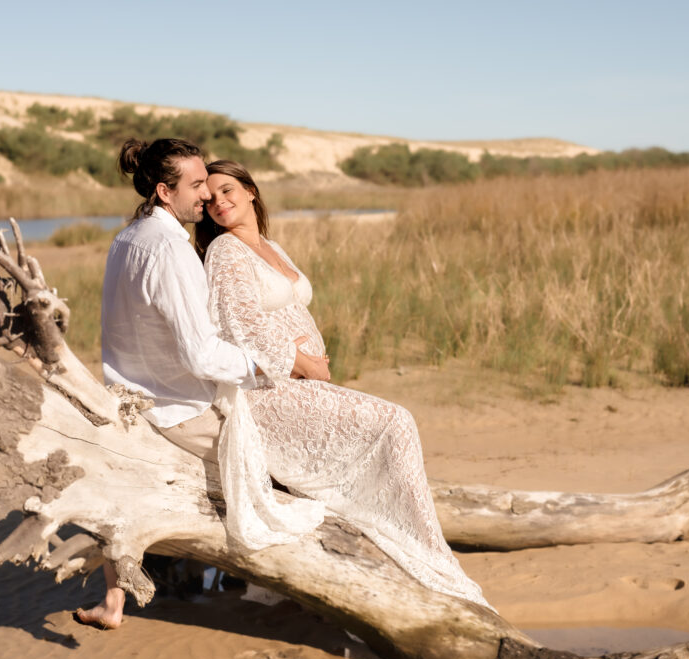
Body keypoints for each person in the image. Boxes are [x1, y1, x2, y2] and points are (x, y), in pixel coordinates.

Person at [194, 159, 488, 606]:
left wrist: (312, 364)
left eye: (228, 190)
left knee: (380, 438)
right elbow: (240, 326)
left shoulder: (269, 245)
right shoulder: (225, 251)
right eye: (210, 197)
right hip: (267, 392)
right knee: (395, 422)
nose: (219, 202)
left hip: (300, 382)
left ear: (251, 191)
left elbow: (284, 309)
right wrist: (303, 363)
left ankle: (415, 548)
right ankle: (425, 552)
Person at [76, 138, 327, 629]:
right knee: (289, 465)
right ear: (164, 191)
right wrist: (278, 366)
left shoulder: (129, 236)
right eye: (195, 186)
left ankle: (141, 590)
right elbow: (201, 353)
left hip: (132, 391)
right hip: (178, 404)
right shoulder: (170, 249)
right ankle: (286, 586)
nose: (206, 198)